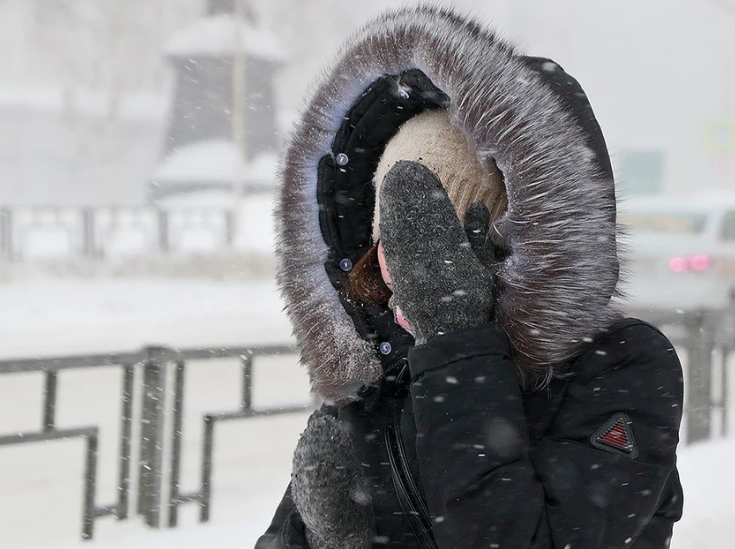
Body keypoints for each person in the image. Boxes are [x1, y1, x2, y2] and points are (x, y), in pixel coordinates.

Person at [257, 6, 683, 548]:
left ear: (508, 234)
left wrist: (456, 339)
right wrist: (326, 538)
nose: (405, 264)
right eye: (391, 238)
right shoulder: (380, 378)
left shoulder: (619, 367)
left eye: (436, 234)